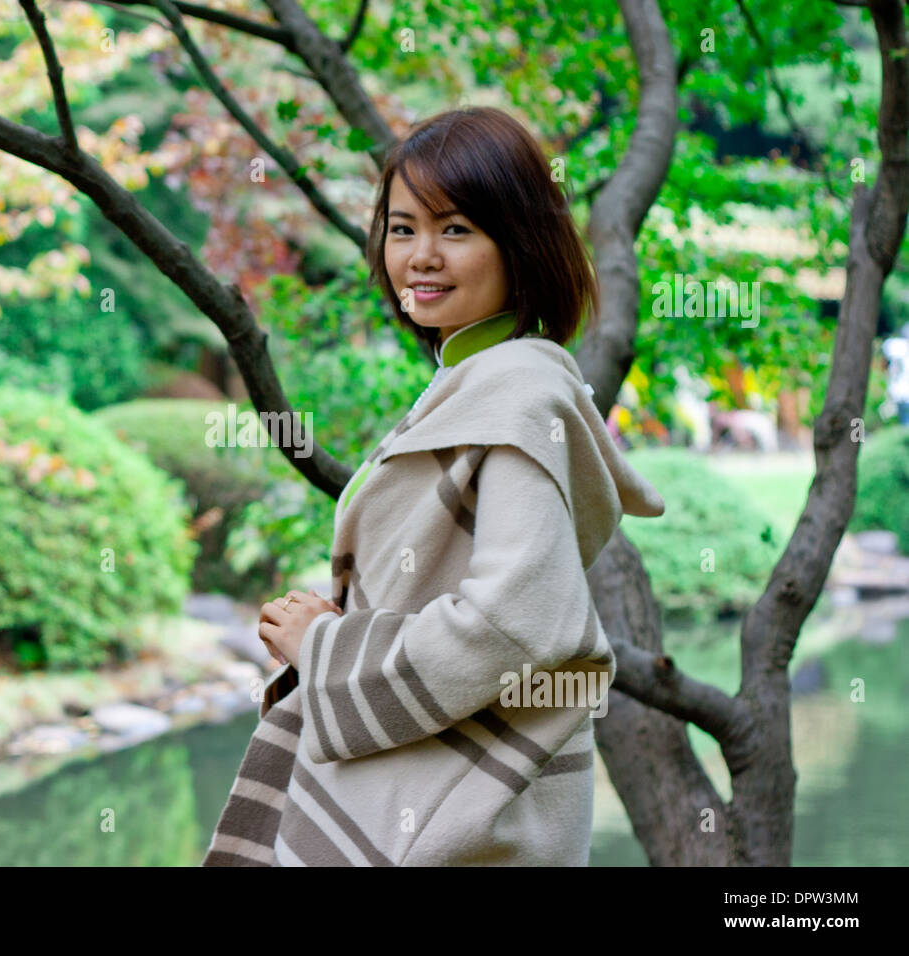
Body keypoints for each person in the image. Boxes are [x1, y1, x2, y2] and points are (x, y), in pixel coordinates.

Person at [202, 107, 665, 867]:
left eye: (456, 230)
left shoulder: (517, 398)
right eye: (402, 228)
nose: (420, 256)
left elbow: (514, 627)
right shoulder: (474, 382)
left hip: (455, 824)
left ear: (520, 243)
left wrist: (325, 645)